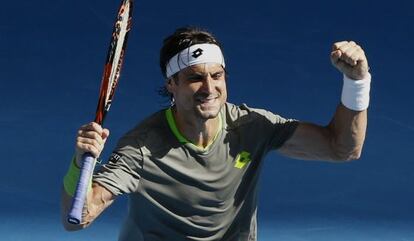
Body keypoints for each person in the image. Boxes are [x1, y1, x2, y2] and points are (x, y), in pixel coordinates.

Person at [61, 26, 371, 241]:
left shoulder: (252, 126)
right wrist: (79, 165)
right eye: (195, 78)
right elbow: (78, 218)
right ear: (172, 84)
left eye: (217, 75)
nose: (209, 88)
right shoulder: (142, 148)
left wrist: (357, 82)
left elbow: (342, 148)